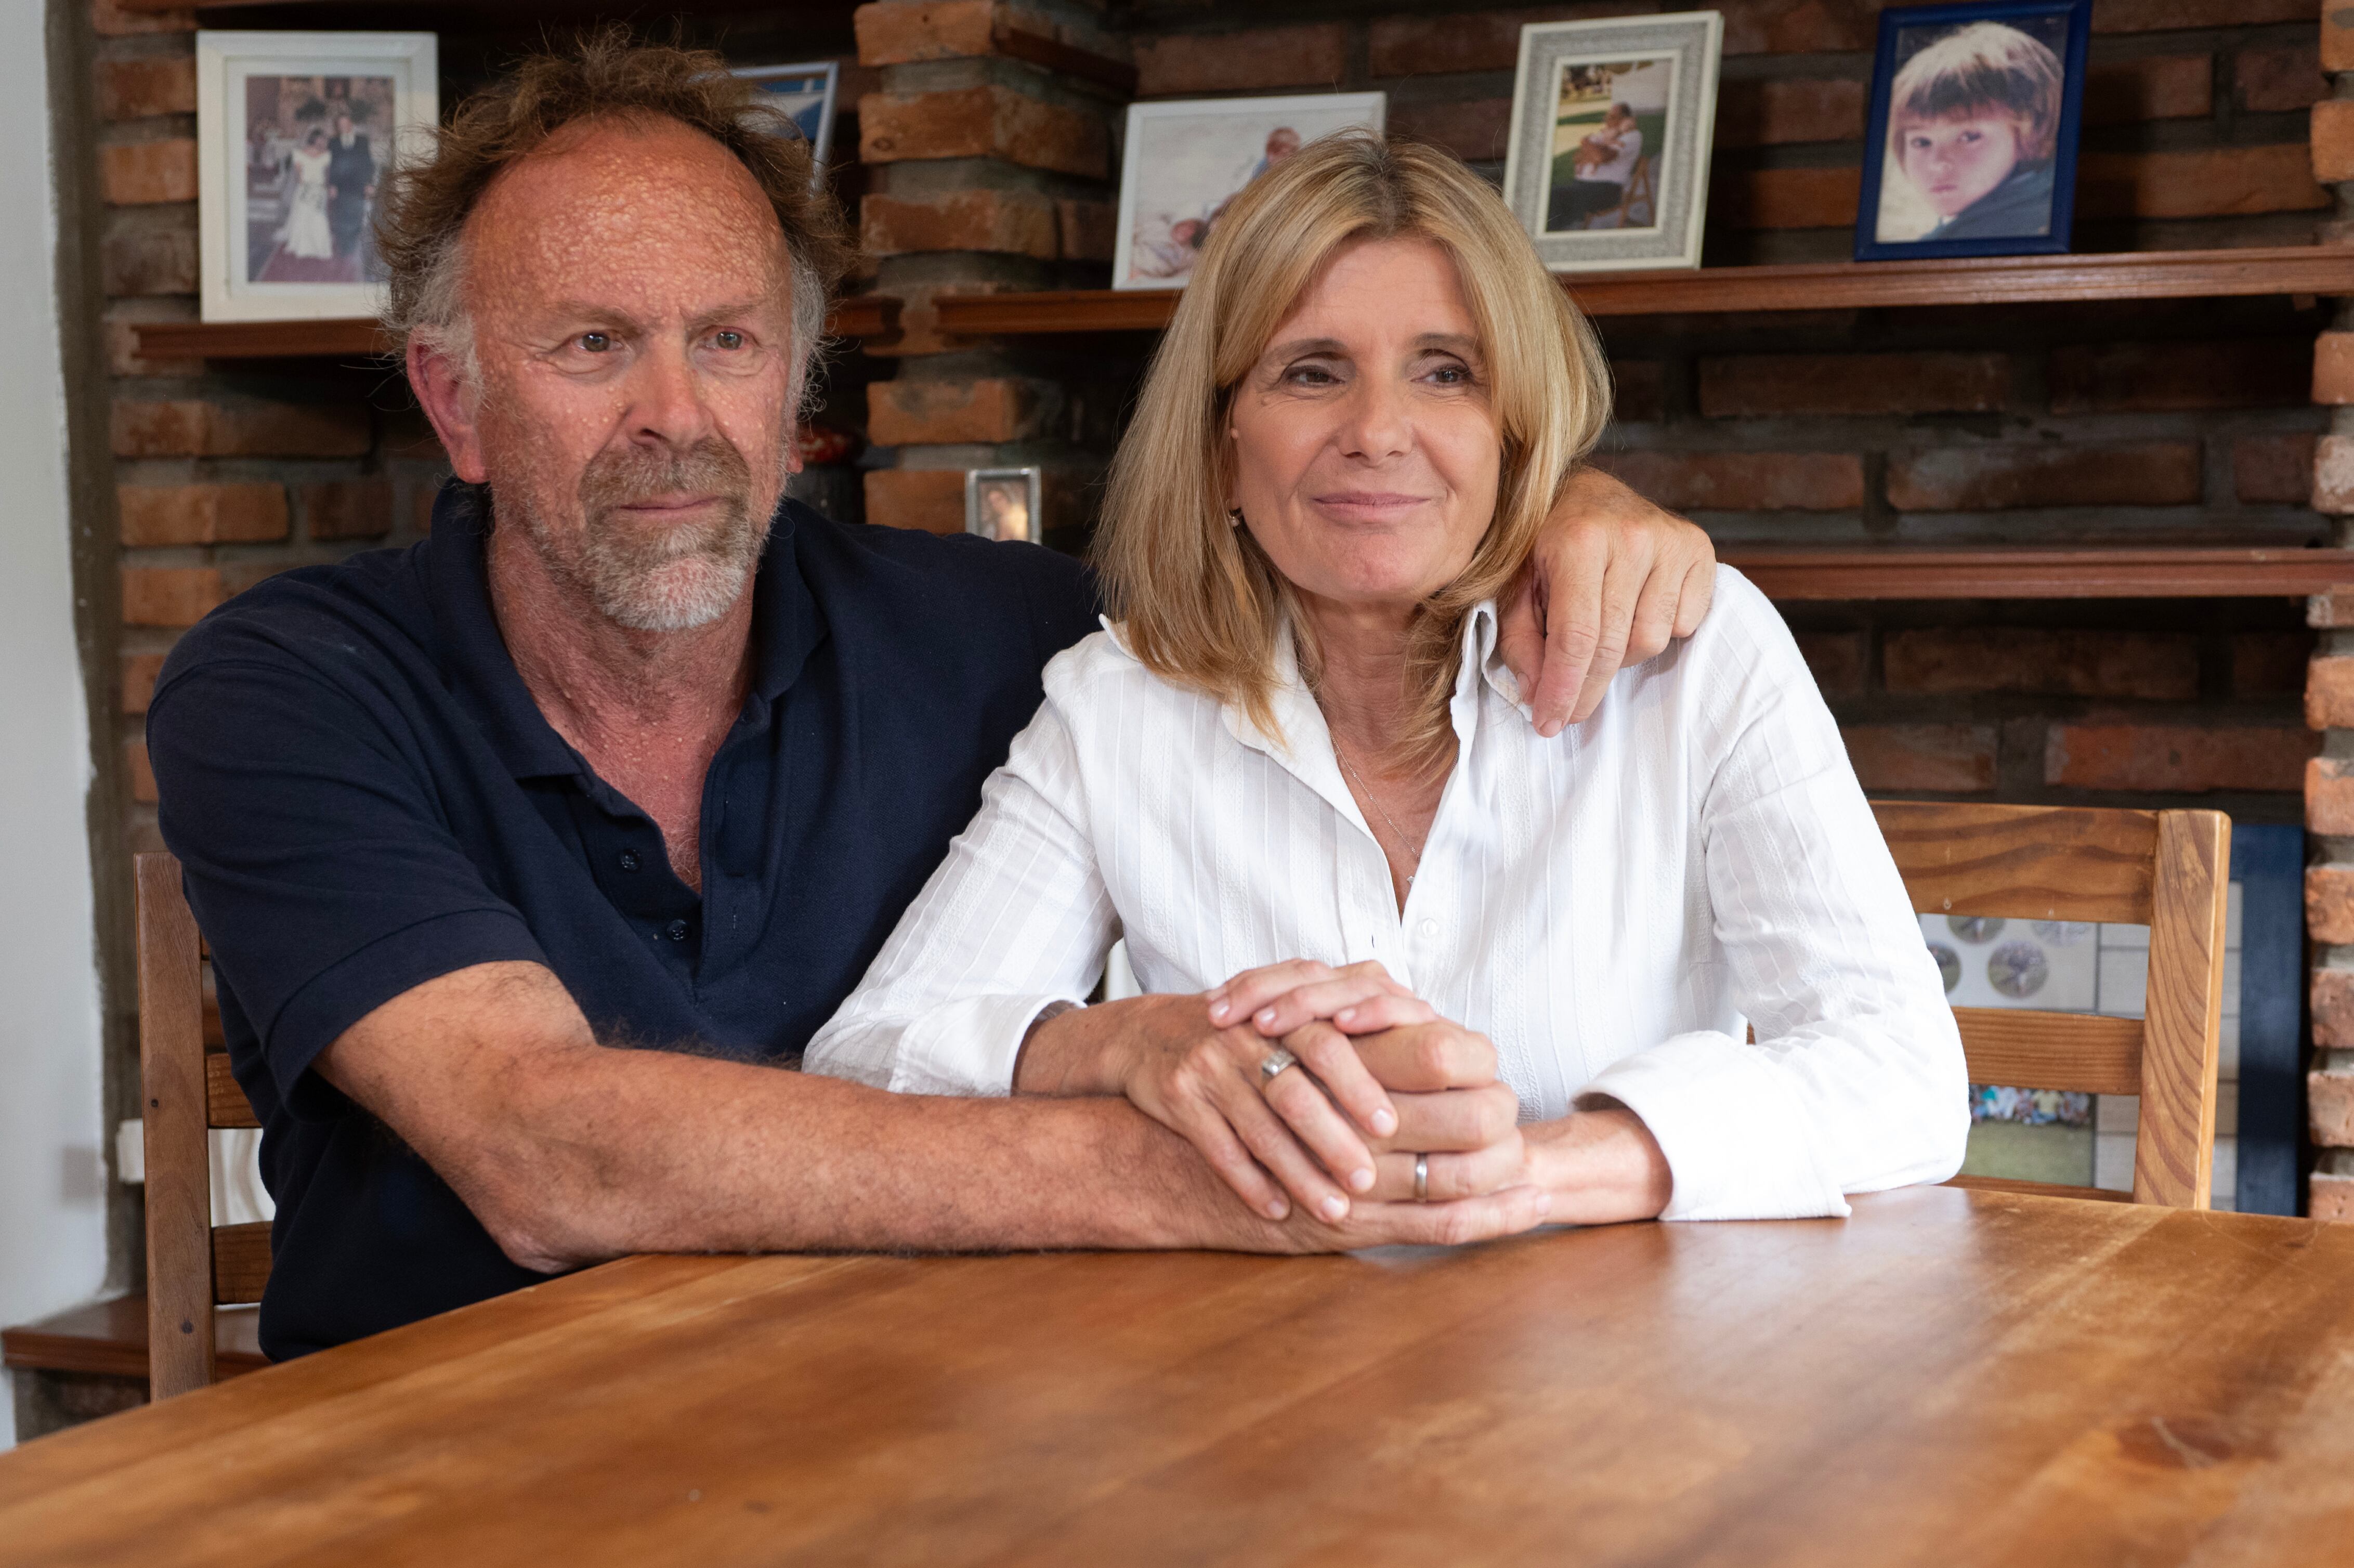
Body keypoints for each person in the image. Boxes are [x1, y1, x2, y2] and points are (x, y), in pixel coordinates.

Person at [147, 37, 1719, 1361]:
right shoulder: (289, 688)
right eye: (590, 346)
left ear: (796, 393)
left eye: (727, 342)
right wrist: (1217, 1171)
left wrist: (1555, 508)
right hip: (442, 1479)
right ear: (457, 401)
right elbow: (549, 1152)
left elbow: (1323, 556)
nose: (672, 418)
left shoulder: (1019, 638)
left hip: (930, 1439)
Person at [808, 134, 1967, 1229]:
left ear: (1515, 429)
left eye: (1445, 372)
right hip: (1259, 1372)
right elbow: (870, 1055)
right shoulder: (1118, 702)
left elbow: (1901, 1074)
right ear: (1220, 446)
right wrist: (1122, 1042)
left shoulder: (1691, 654)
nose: (1376, 430)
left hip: (1625, 1383)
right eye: (1310, 372)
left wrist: (1537, 1170)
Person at [1881, 21, 2063, 243]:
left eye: (1969, 137)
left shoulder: (2012, 233)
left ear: (2030, 134)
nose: (1938, 164)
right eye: (1921, 142)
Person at [1547, 103, 1641, 231]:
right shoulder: (1607, 135)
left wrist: (1587, 143)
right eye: (1607, 116)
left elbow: (1601, 158)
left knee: (1554, 196)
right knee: (1552, 196)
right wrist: (1594, 149)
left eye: (1613, 117)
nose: (1607, 120)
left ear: (1625, 120)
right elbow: (1578, 158)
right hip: (1584, 186)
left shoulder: (1632, 136)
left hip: (1606, 191)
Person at [326, 106, 379, 265]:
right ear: (338, 127)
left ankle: (352, 246)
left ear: (351, 124)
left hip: (359, 186)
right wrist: (332, 185)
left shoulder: (362, 140)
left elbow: (369, 163)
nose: (343, 127)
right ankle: (344, 248)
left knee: (357, 216)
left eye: (345, 124)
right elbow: (332, 165)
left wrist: (370, 183)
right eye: (340, 125)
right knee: (341, 217)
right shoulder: (333, 142)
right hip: (341, 187)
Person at [276, 126, 335, 263]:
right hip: (304, 190)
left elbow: (326, 176)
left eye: (325, 140)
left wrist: (323, 190)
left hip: (320, 191)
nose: (324, 142)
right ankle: (302, 247)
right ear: (315, 140)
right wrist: (308, 187)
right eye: (322, 139)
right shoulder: (299, 154)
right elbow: (298, 177)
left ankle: (319, 247)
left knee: (319, 219)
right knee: (302, 218)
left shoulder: (327, 155)